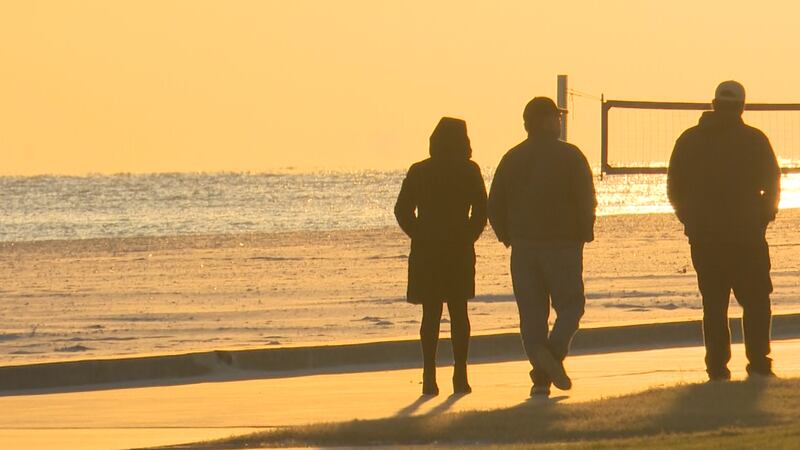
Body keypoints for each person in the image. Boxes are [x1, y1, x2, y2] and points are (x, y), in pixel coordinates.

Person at [668, 80, 781, 381]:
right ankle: (758, 363)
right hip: (745, 236)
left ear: (714, 103)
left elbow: (674, 186)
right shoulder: (754, 140)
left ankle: (717, 367)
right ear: (742, 106)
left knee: (715, 304)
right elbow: (772, 183)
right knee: (756, 300)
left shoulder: (689, 140)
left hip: (710, 238)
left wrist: (690, 221)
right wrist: (763, 217)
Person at [488, 97, 596, 397]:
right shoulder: (571, 155)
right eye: (556, 117)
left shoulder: (512, 158)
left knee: (532, 315)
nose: (560, 122)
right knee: (572, 307)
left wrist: (507, 236)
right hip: (562, 246)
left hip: (523, 249)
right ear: (546, 121)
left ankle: (540, 375)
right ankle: (552, 355)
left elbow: (493, 205)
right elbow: (585, 197)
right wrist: (584, 232)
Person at [395, 117, 488, 396]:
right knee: (459, 313)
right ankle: (460, 374)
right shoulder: (469, 170)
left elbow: (402, 210)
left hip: (428, 251)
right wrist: (467, 235)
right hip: (458, 249)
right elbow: (483, 211)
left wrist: (419, 234)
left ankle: (429, 375)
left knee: (431, 314)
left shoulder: (420, 170)